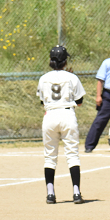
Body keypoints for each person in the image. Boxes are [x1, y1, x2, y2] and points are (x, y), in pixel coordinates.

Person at [37, 45, 87, 204]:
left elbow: (41, 100)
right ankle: (76, 192)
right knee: (72, 154)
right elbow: (79, 101)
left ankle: (50, 194)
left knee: (50, 156)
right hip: (67, 115)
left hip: (50, 114)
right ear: (65, 61)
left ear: (50, 61)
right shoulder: (72, 77)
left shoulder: (44, 78)